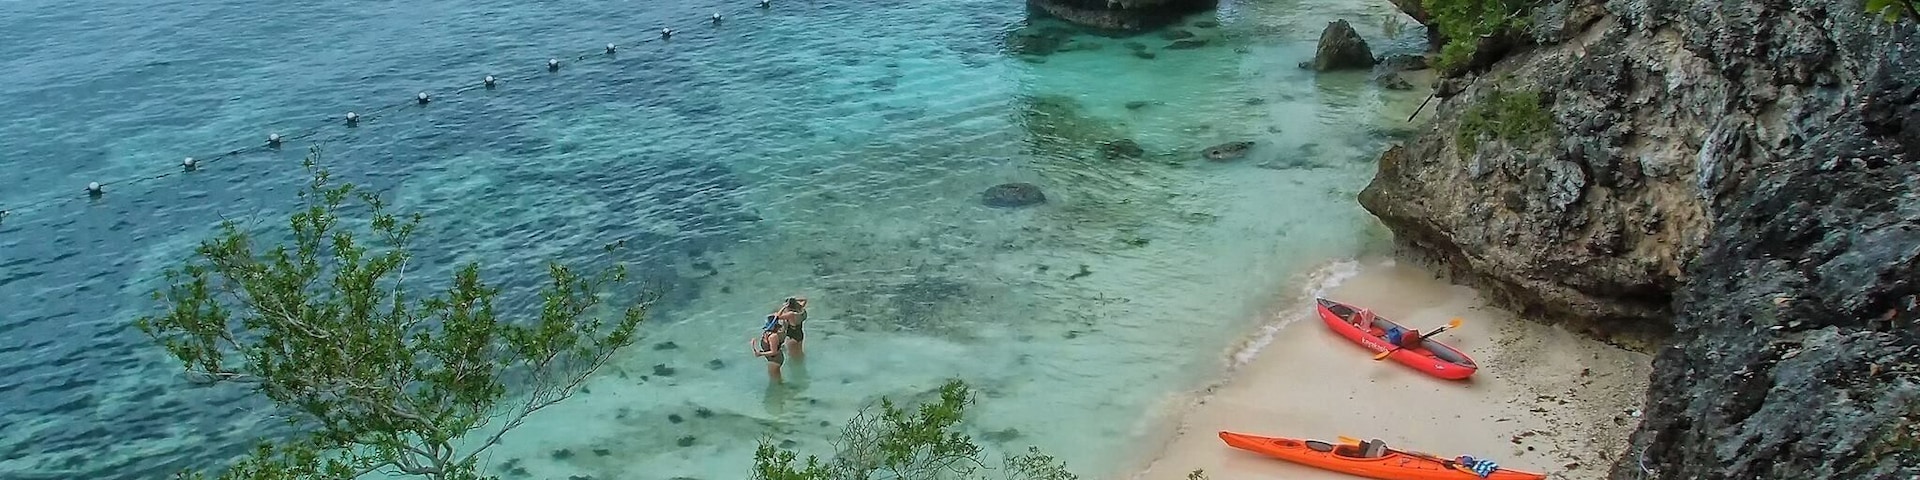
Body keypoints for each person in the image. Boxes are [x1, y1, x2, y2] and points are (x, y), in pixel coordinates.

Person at [750, 316, 787, 384]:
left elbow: (774, 351)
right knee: (775, 378)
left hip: (775, 359)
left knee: (775, 381)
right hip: (772, 358)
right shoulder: (767, 332)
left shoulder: (773, 336)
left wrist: (760, 354)